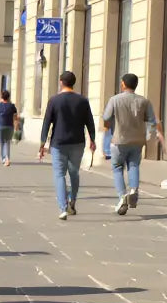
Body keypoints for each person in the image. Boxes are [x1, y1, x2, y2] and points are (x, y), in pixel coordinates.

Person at [39, 71, 96, 220]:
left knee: (59, 174)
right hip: (78, 142)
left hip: (58, 143)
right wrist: (93, 140)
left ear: (61, 82)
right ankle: (72, 200)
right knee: (74, 173)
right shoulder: (83, 101)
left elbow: (46, 122)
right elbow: (90, 122)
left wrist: (42, 143)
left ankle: (63, 208)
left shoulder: (54, 100)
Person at [102, 73, 160, 216]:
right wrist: (149, 136)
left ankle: (122, 196)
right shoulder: (144, 101)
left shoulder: (115, 100)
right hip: (138, 141)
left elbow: (106, 117)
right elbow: (152, 121)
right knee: (133, 165)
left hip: (119, 140)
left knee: (117, 168)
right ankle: (134, 190)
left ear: (123, 84)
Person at [0, 90, 19, 167]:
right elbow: (15, 118)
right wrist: (16, 127)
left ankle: (4, 159)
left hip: (0, 127)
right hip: (9, 127)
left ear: (1, 96)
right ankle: (7, 158)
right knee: (7, 142)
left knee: (2, 143)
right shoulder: (12, 106)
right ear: (9, 97)